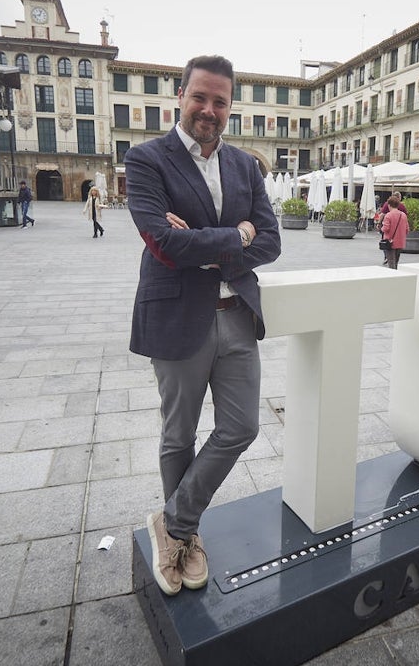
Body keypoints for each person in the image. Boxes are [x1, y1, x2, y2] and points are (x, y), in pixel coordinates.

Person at [126, 55, 281, 597]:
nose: (209, 110)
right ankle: (185, 540)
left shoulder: (244, 166)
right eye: (201, 97)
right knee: (179, 434)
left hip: (236, 314)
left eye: (220, 101)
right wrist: (233, 236)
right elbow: (163, 242)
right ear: (181, 96)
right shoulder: (146, 160)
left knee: (242, 427)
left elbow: (271, 242)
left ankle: (172, 523)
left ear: (230, 106)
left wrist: (206, 240)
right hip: (176, 316)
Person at [381, 196, 409, 270]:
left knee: (391, 263)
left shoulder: (388, 215)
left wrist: (381, 228)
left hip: (390, 242)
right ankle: (396, 275)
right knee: (396, 262)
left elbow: (385, 229)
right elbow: (407, 229)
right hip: (400, 242)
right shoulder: (403, 215)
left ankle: (392, 277)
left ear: (389, 205)